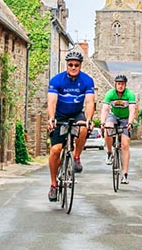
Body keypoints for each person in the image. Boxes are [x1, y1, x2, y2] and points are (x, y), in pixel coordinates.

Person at [46, 50, 95, 202]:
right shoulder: (56, 80)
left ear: (80, 66)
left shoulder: (87, 81)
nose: (73, 67)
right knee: (55, 150)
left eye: (76, 65)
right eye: (70, 65)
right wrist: (51, 118)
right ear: (66, 65)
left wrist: (89, 119)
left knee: (84, 127)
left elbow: (89, 101)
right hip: (60, 115)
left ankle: (76, 156)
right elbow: (52, 101)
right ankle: (54, 184)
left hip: (76, 114)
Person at [100, 74, 136, 184]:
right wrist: (102, 122)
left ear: (125, 85)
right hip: (113, 115)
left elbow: (132, 110)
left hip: (125, 118)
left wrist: (130, 122)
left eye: (122, 84)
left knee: (125, 145)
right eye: (118, 84)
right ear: (115, 84)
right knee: (108, 128)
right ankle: (110, 152)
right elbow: (105, 109)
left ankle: (124, 174)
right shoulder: (110, 94)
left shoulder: (130, 94)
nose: (120, 86)